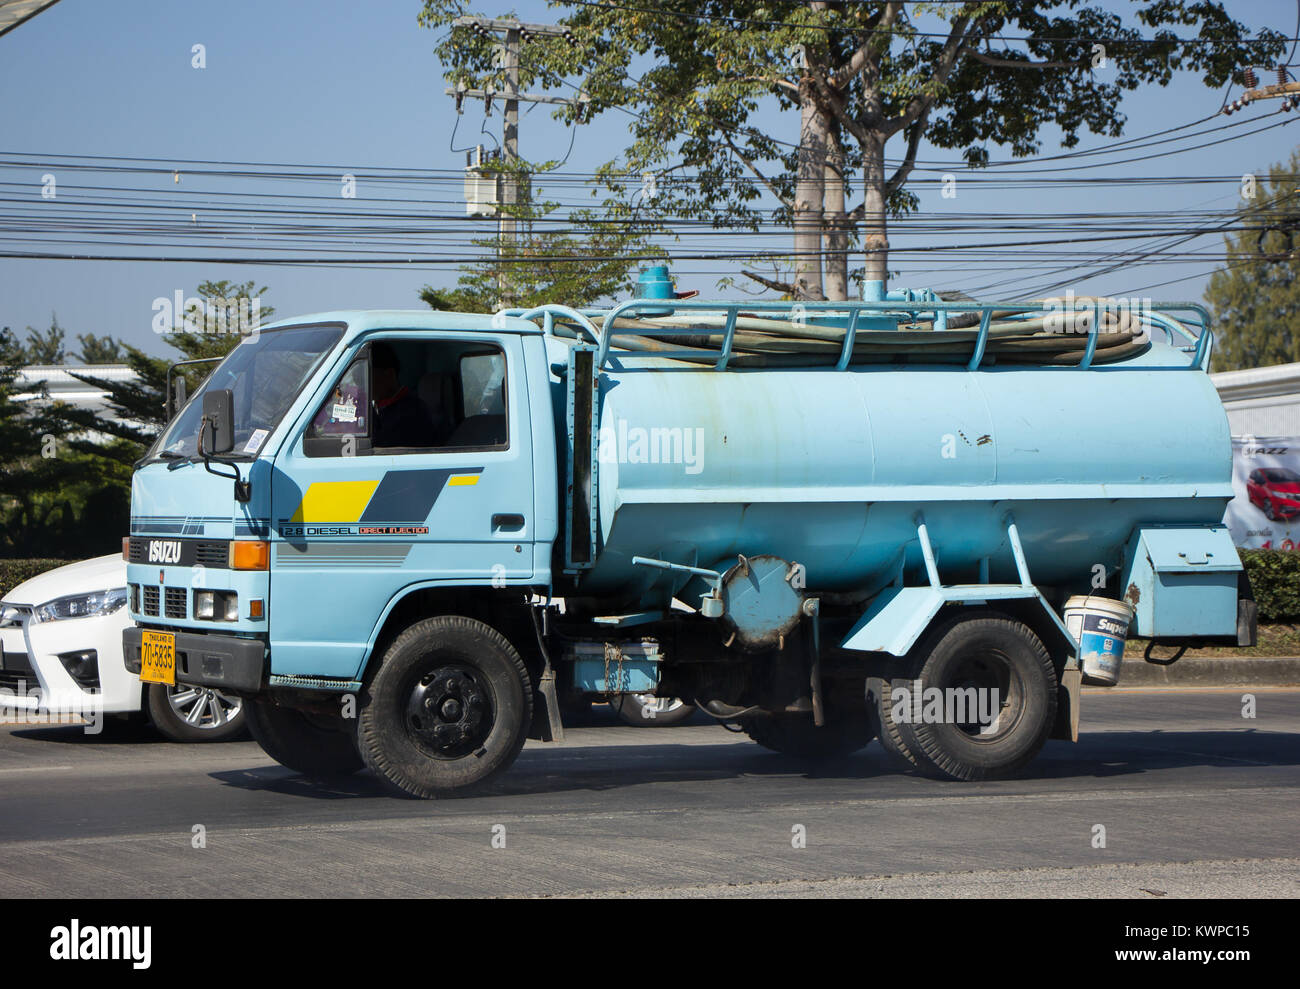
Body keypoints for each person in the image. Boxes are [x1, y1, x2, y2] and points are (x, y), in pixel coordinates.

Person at [371, 342, 438, 448]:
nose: (359, 384)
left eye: (366, 376)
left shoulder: (413, 412)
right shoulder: (379, 407)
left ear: (389, 374)